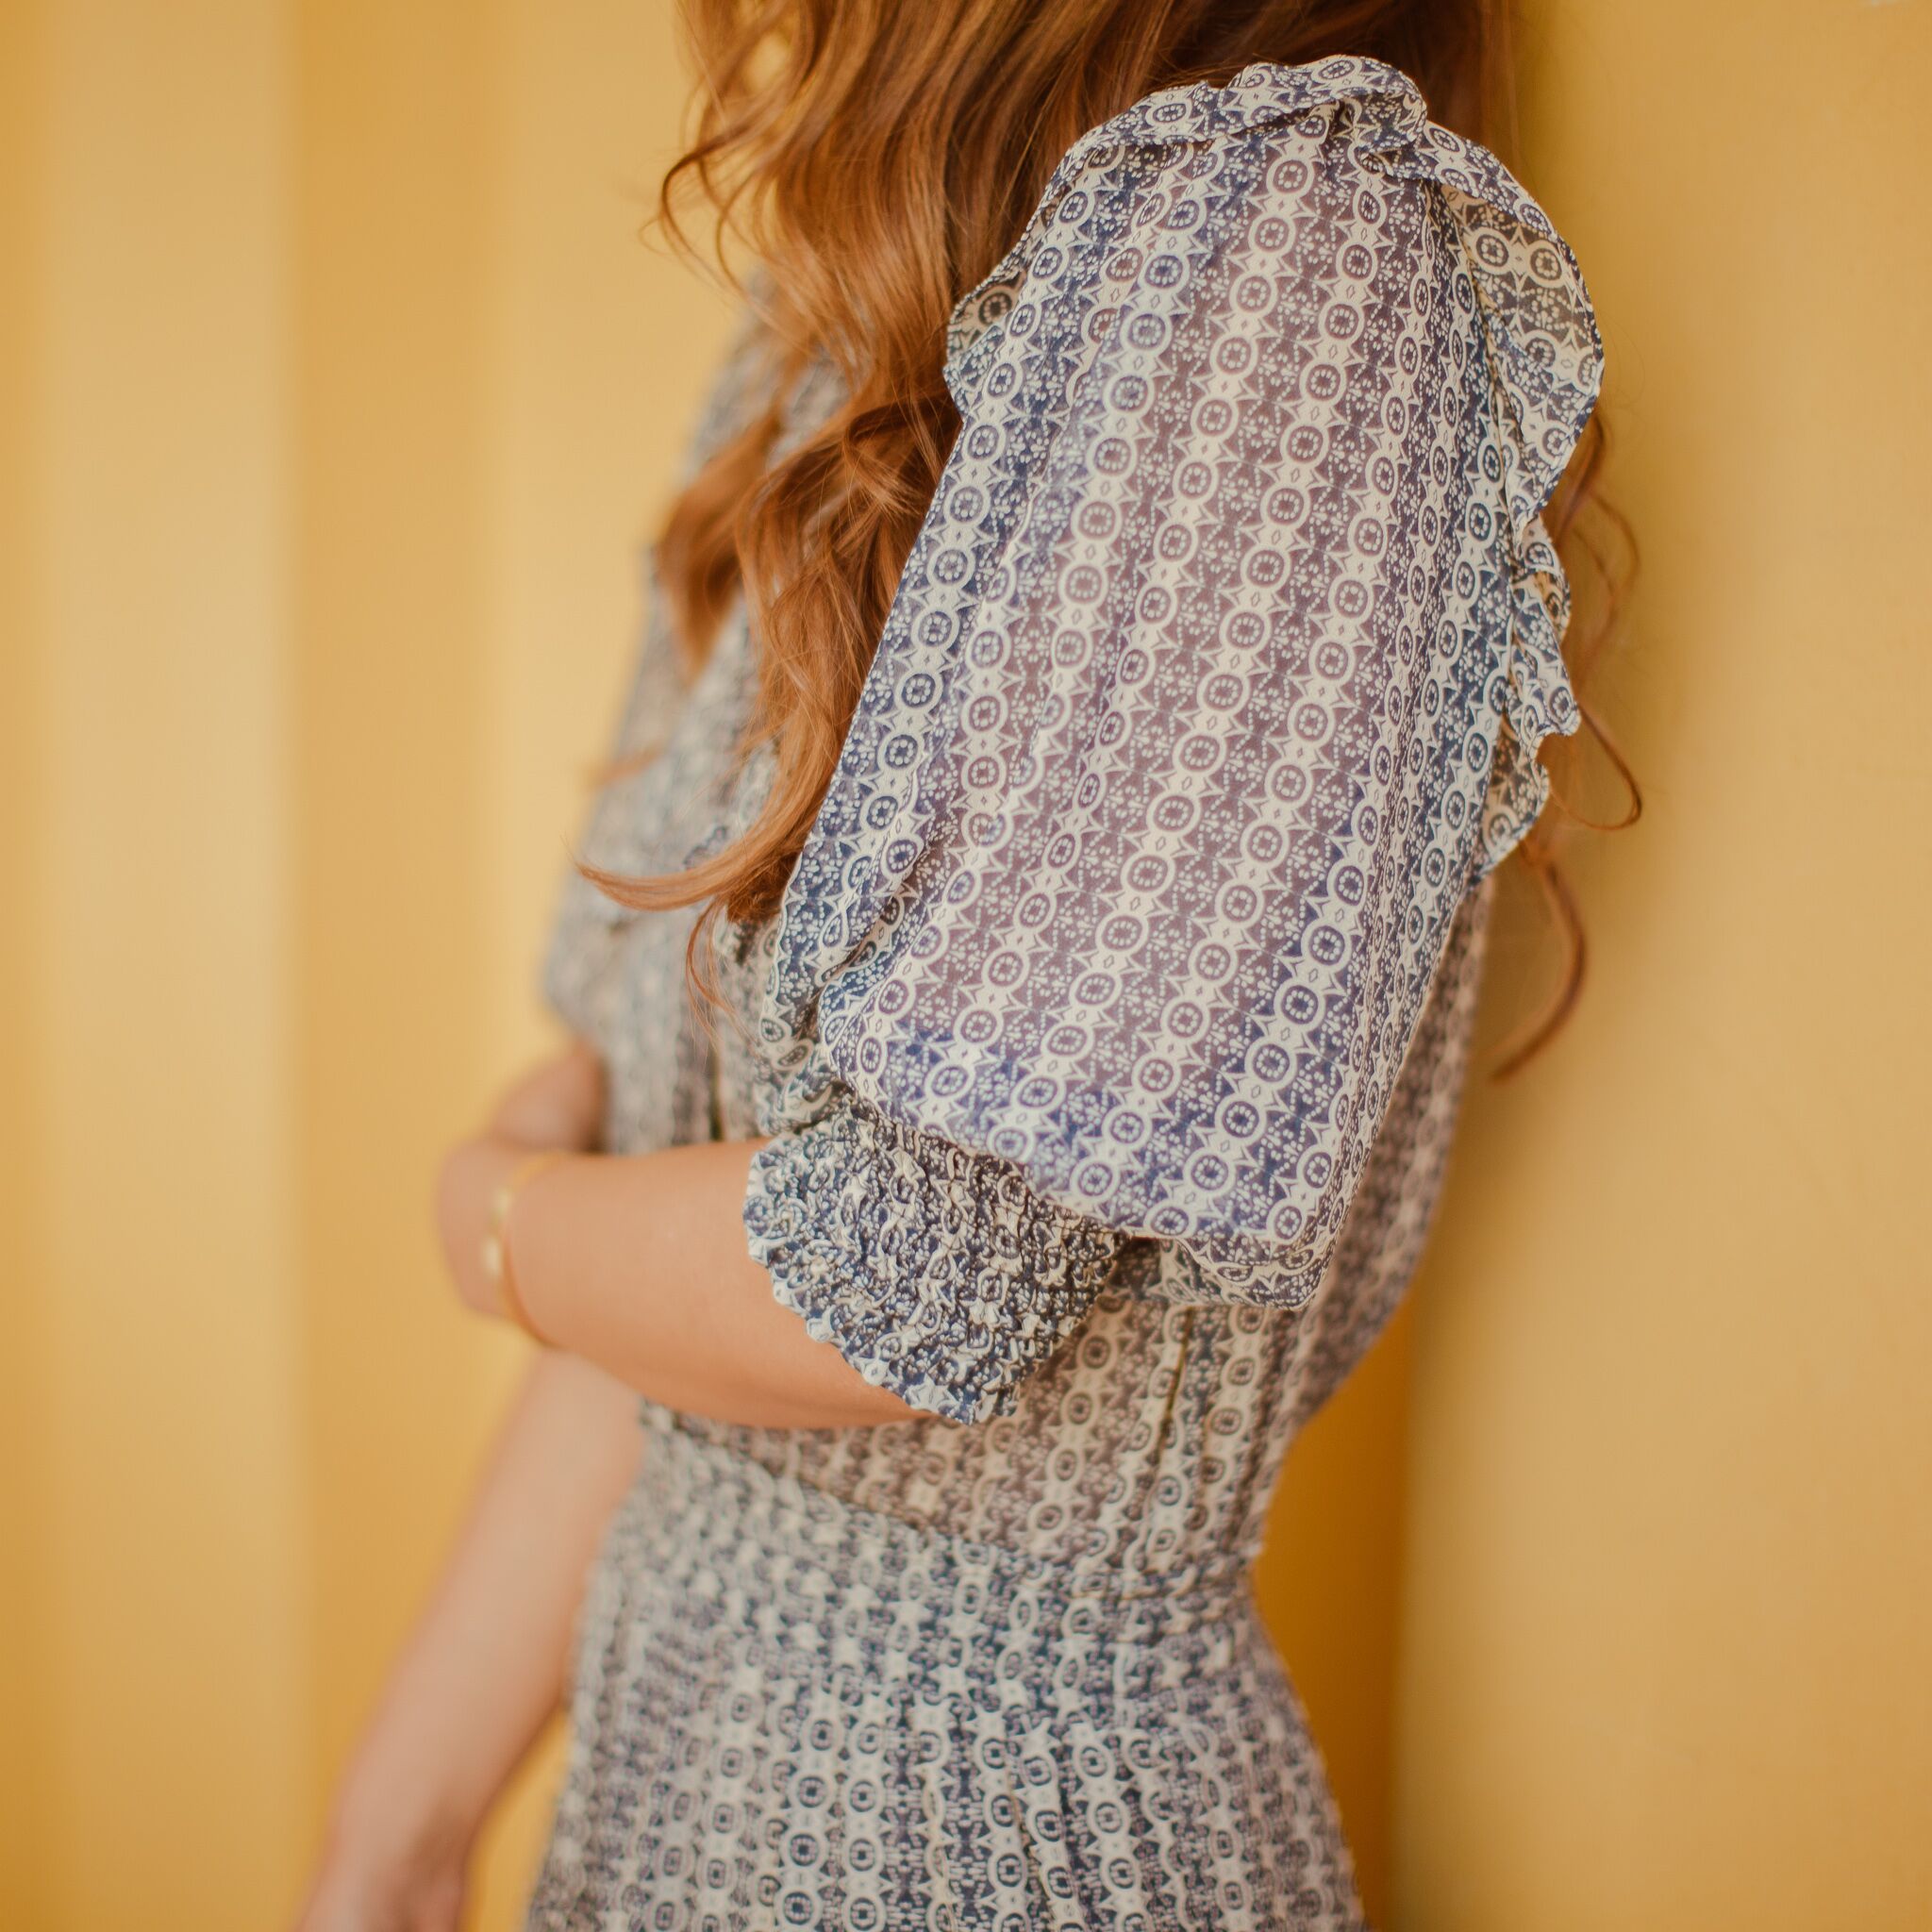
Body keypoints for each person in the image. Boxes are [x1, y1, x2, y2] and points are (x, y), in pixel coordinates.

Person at [295, 5, 1610, 1926]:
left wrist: (492, 1224)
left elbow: (889, 1287)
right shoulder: (836, 321)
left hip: (976, 1835)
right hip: (671, 1761)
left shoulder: (1285, 253)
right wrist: (395, 1837)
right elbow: (665, 1255)